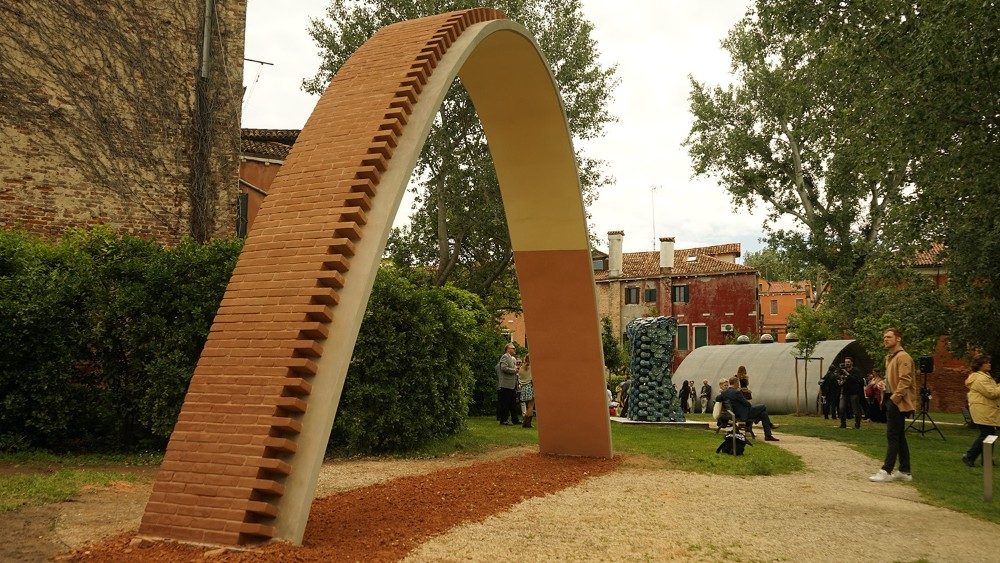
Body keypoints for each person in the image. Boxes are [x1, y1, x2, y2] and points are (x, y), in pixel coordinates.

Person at [870, 327, 918, 483]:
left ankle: (886, 470)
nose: (885, 339)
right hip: (893, 399)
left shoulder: (903, 357)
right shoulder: (890, 357)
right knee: (899, 435)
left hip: (898, 402)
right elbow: (893, 379)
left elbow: (905, 380)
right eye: (884, 337)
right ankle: (905, 470)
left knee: (892, 435)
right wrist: (883, 383)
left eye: (889, 337)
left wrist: (894, 399)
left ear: (898, 339)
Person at [715, 376, 780, 441]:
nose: (739, 385)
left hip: (735, 414)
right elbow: (747, 404)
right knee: (763, 406)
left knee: (763, 414)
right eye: (738, 383)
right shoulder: (737, 392)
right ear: (736, 383)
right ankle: (767, 426)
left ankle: (768, 435)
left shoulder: (725, 393)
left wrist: (723, 393)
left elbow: (717, 399)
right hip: (743, 414)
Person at [962, 354, 999, 467]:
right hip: (984, 410)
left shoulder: (985, 376)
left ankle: (986, 460)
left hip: (986, 409)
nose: (989, 364)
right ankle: (969, 456)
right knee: (986, 434)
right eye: (986, 362)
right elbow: (992, 393)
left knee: (990, 434)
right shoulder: (980, 378)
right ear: (980, 365)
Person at [496, 343, 521, 425]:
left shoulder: (512, 358)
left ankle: (515, 420)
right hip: (506, 384)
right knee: (505, 403)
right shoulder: (505, 356)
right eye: (513, 348)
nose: (514, 349)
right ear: (508, 349)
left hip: (512, 384)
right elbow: (503, 368)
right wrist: (514, 371)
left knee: (513, 403)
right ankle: (504, 420)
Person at [838, 357, 865, 429]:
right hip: (844, 392)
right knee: (841, 408)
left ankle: (857, 425)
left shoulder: (856, 370)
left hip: (854, 392)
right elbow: (840, 378)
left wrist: (847, 374)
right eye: (846, 362)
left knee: (855, 409)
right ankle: (843, 424)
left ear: (852, 363)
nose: (847, 363)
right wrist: (840, 381)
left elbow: (855, 380)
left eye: (848, 362)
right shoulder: (842, 370)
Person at [518, 354, 536, 428]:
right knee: (531, 406)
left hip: (524, 387)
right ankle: (527, 423)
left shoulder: (521, 367)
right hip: (530, 387)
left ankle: (525, 423)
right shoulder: (531, 368)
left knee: (528, 406)